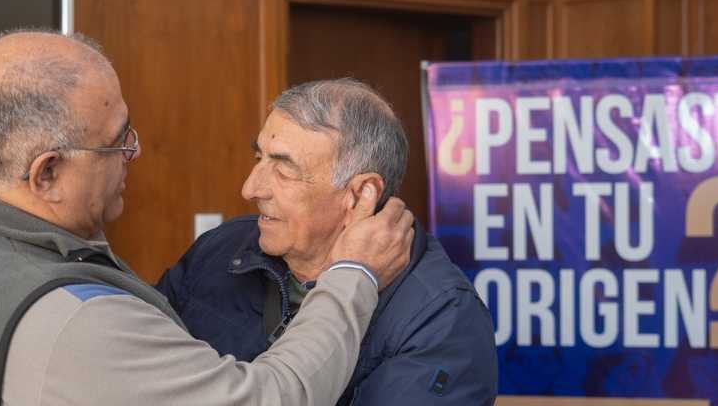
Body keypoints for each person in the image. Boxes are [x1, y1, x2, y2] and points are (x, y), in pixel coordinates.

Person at [0, 30, 414, 406]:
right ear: (46, 172)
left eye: (283, 167)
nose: (132, 153)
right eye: (116, 142)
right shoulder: (83, 321)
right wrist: (353, 274)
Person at [157, 79, 499, 405]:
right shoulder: (219, 249)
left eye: (284, 169)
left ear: (360, 194)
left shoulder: (441, 318)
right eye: (259, 157)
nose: (251, 188)